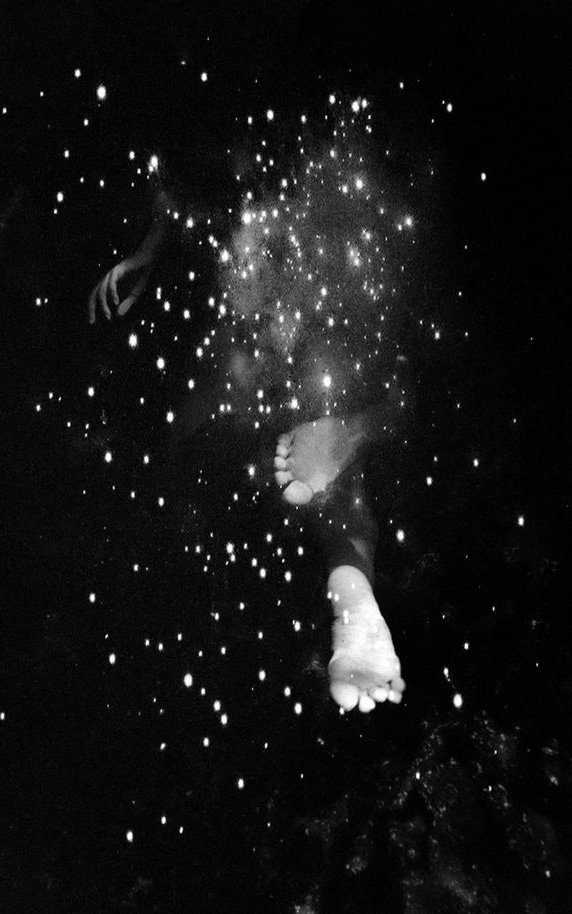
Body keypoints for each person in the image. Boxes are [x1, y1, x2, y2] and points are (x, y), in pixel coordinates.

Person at [87, 122, 408, 715]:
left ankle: (349, 455)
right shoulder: (246, 178)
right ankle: (349, 578)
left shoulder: (246, 176)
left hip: (279, 301)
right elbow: (173, 189)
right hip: (287, 297)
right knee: (291, 403)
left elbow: (177, 184)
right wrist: (144, 256)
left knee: (243, 388)